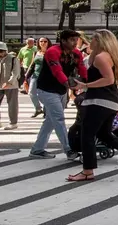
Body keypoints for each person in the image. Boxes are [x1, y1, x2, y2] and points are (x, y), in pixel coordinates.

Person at [67, 29, 118, 181]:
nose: (90, 41)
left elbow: (108, 79)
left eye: (93, 39)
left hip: (99, 101)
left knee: (87, 135)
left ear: (99, 41)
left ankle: (87, 171)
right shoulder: (107, 56)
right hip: (111, 102)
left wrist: (85, 85)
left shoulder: (100, 57)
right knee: (105, 135)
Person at [29, 31, 84, 161]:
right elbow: (57, 71)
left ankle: (37, 149)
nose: (75, 43)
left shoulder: (76, 53)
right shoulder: (53, 51)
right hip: (47, 90)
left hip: (61, 90)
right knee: (58, 118)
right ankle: (69, 150)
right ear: (63, 40)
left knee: (51, 121)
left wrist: (85, 84)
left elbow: (82, 68)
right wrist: (70, 85)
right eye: (72, 40)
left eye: (76, 40)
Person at [0, 41, 20, 130]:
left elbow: (16, 72)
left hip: (11, 85)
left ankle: (13, 123)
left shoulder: (13, 59)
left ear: (3, 50)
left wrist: (9, 82)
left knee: (12, 104)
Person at [23, 37, 50, 118]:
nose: (43, 43)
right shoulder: (36, 52)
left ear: (48, 43)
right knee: (31, 92)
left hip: (46, 76)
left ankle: (46, 110)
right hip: (35, 75)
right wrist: (26, 76)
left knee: (44, 95)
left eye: (45, 41)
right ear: (38, 43)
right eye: (41, 41)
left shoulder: (50, 52)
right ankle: (38, 109)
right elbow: (32, 64)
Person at [17, 38, 39, 115]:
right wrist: (19, 66)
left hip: (37, 69)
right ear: (26, 43)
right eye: (29, 42)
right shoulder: (23, 49)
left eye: (32, 42)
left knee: (38, 90)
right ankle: (27, 88)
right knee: (30, 86)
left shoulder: (36, 49)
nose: (31, 43)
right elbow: (20, 58)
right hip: (27, 67)